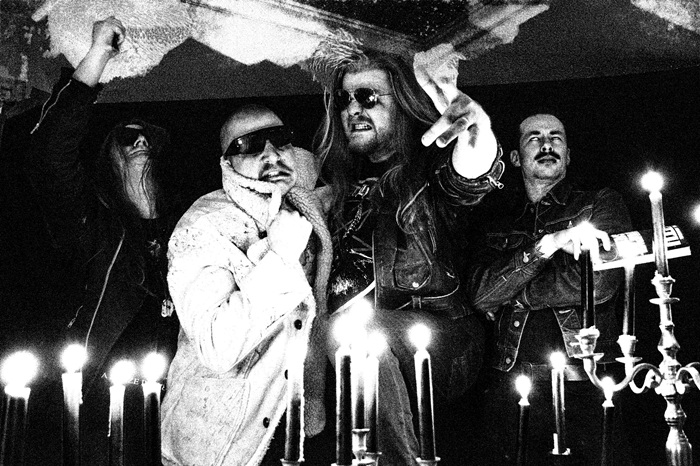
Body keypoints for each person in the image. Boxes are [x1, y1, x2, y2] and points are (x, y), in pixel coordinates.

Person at [308, 35, 504, 464]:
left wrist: (477, 132)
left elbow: (470, 174)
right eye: (344, 99)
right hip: (353, 357)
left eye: (367, 97)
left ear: (400, 103)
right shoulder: (335, 192)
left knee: (359, 332)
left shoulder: (427, 174)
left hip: (439, 339)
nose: (352, 109)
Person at [24, 17, 182, 465]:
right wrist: (98, 54)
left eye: (146, 136)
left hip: (174, 409)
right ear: (108, 158)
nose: (140, 140)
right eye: (126, 137)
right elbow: (47, 156)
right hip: (96, 409)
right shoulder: (95, 222)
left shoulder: (187, 227)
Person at [160, 104, 333, 466]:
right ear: (228, 163)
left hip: (302, 426)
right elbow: (216, 347)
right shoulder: (202, 226)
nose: (270, 154)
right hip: (222, 442)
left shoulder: (306, 205)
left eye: (280, 139)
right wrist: (280, 257)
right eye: (249, 145)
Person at [467, 112, 633, 464]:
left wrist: (514, 292)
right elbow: (480, 294)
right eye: (534, 137)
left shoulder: (599, 203)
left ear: (568, 155)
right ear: (515, 158)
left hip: (584, 385)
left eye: (556, 137)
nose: (547, 145)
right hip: (509, 386)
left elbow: (598, 283)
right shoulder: (497, 219)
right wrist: (548, 244)